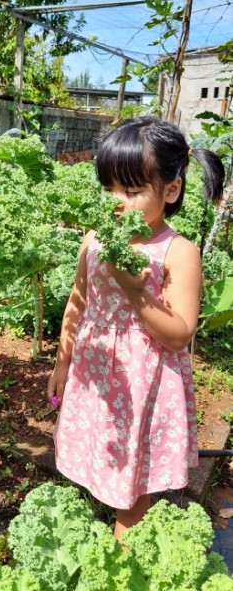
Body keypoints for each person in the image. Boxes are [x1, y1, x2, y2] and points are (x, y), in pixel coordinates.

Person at [47, 116, 226, 541]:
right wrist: (62, 361)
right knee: (96, 454)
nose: (117, 201)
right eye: (108, 188)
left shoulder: (179, 252)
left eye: (131, 191)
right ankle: (99, 536)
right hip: (94, 373)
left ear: (171, 190)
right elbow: (78, 299)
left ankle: (122, 562)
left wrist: (133, 290)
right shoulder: (93, 239)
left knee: (131, 487)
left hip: (142, 383)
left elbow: (180, 333)